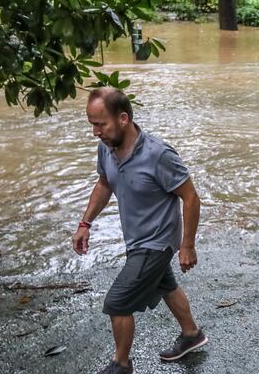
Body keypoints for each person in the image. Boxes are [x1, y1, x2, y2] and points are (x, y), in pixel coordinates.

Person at [72, 87, 208, 374]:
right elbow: (105, 183)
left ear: (123, 118)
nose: (95, 132)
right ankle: (192, 334)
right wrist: (85, 223)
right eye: (92, 125)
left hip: (156, 242)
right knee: (165, 284)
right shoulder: (106, 148)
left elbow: (191, 196)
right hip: (136, 239)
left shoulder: (158, 154)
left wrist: (188, 245)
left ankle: (121, 364)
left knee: (118, 302)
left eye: (100, 124)